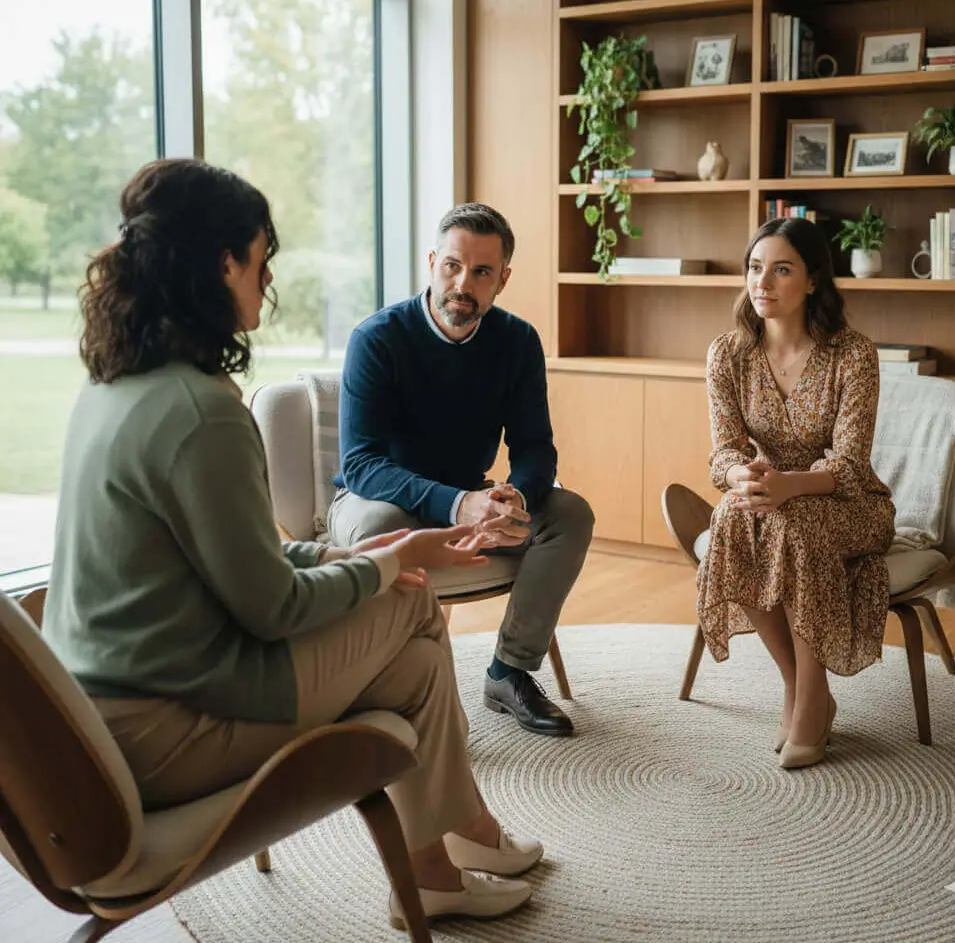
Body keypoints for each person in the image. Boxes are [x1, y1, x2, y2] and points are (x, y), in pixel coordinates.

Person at [41, 159, 544, 929]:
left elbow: (236, 561)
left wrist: (363, 559)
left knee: (408, 644)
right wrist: (391, 563)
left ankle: (439, 862)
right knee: (411, 616)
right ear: (223, 264)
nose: (267, 278)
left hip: (110, 708)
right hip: (172, 727)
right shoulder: (200, 412)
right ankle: (460, 836)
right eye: (262, 256)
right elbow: (271, 607)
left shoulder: (116, 385)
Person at [328, 203, 594, 738]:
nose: (462, 284)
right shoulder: (377, 338)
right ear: (431, 262)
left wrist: (517, 495)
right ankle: (399, 687)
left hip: (471, 496)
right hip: (381, 498)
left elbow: (536, 448)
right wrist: (459, 503)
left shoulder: (517, 342)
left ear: (503, 280)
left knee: (568, 514)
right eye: (452, 266)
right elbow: (360, 464)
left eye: (481, 272)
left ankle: (509, 671)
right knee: (381, 530)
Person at [695, 217, 895, 770]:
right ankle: (802, 689)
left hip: (850, 505)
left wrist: (788, 487)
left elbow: (851, 466)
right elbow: (724, 453)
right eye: (755, 268)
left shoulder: (852, 354)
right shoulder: (729, 354)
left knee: (795, 523)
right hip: (767, 498)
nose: (763, 282)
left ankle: (809, 699)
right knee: (733, 518)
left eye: (781, 270)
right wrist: (746, 479)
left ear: (812, 281)